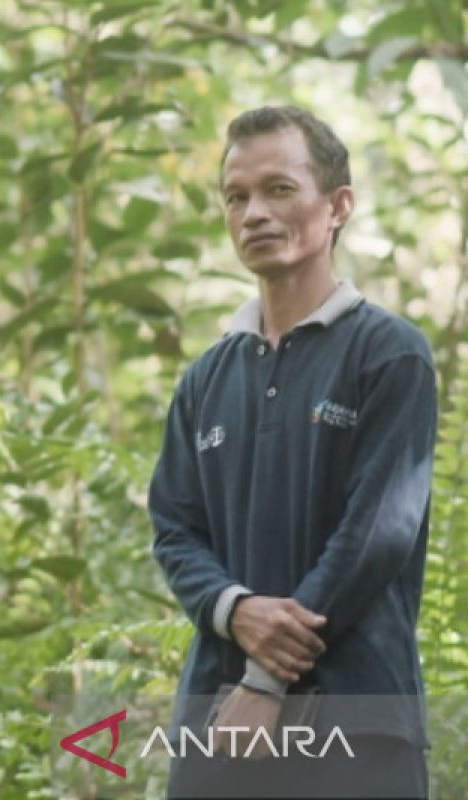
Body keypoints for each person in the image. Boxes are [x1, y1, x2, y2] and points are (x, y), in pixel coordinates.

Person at [149, 106, 436, 799]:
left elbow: (376, 532)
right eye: (236, 196)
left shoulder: (390, 353)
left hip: (359, 720)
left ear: (338, 207)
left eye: (279, 189)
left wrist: (267, 677)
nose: (254, 213)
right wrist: (234, 608)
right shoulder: (205, 378)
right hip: (217, 723)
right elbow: (175, 528)